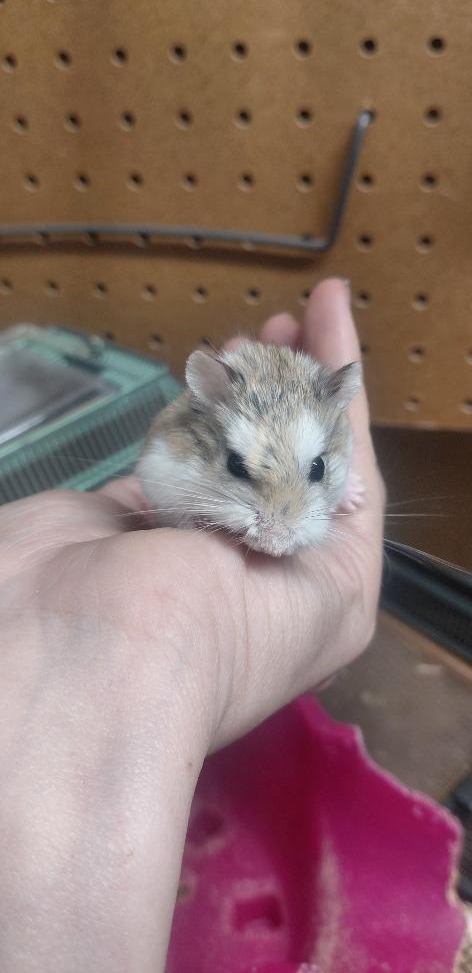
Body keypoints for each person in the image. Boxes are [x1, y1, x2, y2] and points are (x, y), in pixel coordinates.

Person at [0, 278, 384, 971]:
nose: (278, 529)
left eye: (314, 473)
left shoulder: (328, 437)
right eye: (242, 469)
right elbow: (161, 479)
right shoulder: (179, 442)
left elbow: (322, 477)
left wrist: (337, 486)